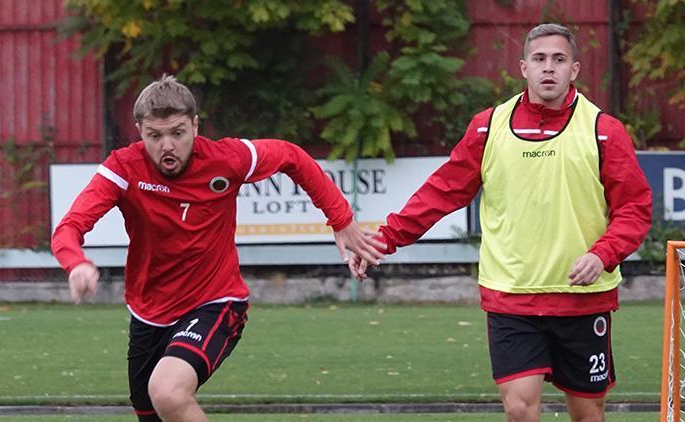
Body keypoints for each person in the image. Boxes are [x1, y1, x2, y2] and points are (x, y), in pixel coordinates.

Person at [350, 23, 652, 422]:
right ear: (523, 67)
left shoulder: (604, 130)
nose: (549, 68)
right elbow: (442, 192)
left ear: (575, 70)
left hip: (583, 298)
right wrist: (384, 240)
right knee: (519, 409)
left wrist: (602, 254)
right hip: (512, 295)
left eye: (559, 60)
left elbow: (634, 208)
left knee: (588, 415)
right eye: (540, 59)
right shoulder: (487, 127)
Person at [51, 74, 385, 422]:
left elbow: (292, 157)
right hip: (148, 314)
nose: (167, 145)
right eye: (155, 135)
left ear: (195, 126)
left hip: (215, 303)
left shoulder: (228, 159)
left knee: (167, 391)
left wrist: (341, 219)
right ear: (139, 131)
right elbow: (69, 228)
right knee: (153, 411)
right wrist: (76, 263)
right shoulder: (123, 168)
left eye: (177, 133)